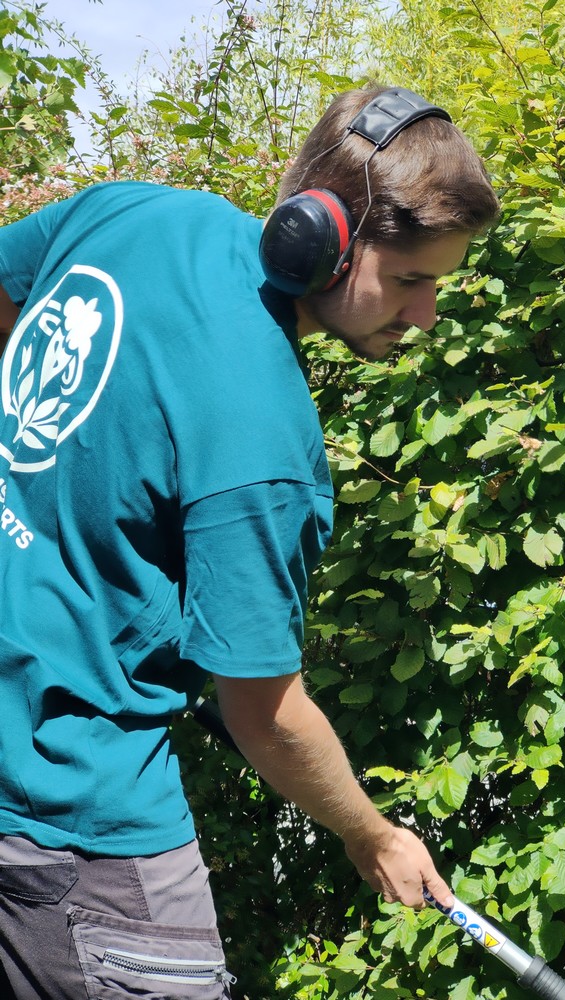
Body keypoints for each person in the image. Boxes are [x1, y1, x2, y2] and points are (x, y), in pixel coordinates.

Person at [0, 85, 498, 998]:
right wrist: (371, 833)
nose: (426, 317)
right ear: (325, 239)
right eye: (415, 279)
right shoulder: (263, 440)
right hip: (79, 828)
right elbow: (264, 712)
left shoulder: (138, 210)